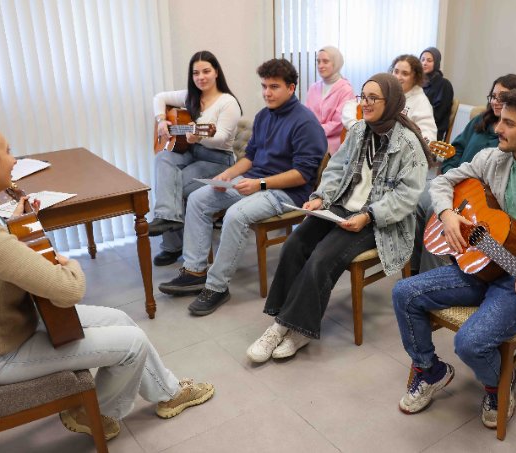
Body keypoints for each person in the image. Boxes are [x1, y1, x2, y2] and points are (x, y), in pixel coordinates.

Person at [0, 118, 214, 442]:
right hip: (0, 355)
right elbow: (70, 290)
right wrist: (69, 263)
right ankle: (94, 412)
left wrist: (18, 223)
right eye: (8, 151)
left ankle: (168, 393)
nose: (14, 159)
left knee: (120, 318)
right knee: (133, 344)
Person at [392, 86, 516, 428]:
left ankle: (498, 385)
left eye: (509, 123)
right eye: (500, 119)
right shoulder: (491, 158)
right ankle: (430, 370)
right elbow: (441, 184)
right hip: (479, 265)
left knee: (469, 343)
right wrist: (448, 215)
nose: (498, 128)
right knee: (403, 292)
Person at [246, 73, 429, 362]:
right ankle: (283, 321)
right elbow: (335, 170)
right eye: (363, 96)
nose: (365, 103)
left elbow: (407, 196)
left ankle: (296, 329)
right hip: (342, 205)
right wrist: (321, 197)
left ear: (391, 102)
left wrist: (368, 216)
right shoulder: (359, 131)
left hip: (379, 219)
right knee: (295, 243)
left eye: (372, 98)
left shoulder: (408, 143)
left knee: (322, 256)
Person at [157, 58, 326, 316]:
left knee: (236, 215)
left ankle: (216, 287)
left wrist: (260, 184)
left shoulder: (306, 123)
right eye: (264, 86)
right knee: (199, 199)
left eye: (274, 87)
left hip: (286, 193)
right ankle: (194, 271)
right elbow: (251, 157)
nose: (267, 93)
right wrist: (227, 174)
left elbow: (303, 175)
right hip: (255, 179)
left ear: (291, 89)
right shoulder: (263, 116)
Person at [410, 74, 516, 275]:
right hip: (457, 180)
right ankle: (415, 267)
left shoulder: (515, 137)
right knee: (417, 201)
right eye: (493, 96)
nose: (496, 102)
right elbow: (456, 150)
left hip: (479, 196)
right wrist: (450, 175)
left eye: (503, 97)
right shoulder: (480, 120)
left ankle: (433, 273)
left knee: (434, 212)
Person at [147, 51, 243, 267]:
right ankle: (168, 221)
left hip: (217, 159)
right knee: (163, 158)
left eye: (206, 71)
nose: (201, 77)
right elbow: (159, 98)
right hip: (192, 153)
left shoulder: (228, 103)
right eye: (196, 73)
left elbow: (219, 138)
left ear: (216, 72)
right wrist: (162, 121)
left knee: (173, 185)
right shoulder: (191, 96)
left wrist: (198, 137)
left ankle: (172, 245)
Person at [342, 54, 437, 143]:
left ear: (415, 77)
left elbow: (429, 136)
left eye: (405, 73)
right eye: (396, 71)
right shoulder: (384, 90)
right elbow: (351, 104)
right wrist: (355, 126)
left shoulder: (421, 102)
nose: (398, 77)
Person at [304, 46, 355, 155]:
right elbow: (305, 116)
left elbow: (339, 123)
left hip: (333, 147)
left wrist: (311, 131)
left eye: (325, 61)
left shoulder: (346, 89)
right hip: (309, 140)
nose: (320, 66)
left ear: (336, 63)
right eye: (318, 61)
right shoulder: (313, 87)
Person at [420, 47, 455, 142]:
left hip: (432, 131)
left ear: (436, 62)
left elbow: (438, 115)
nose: (424, 63)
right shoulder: (417, 83)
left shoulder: (444, 84)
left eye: (429, 60)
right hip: (415, 126)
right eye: (422, 60)